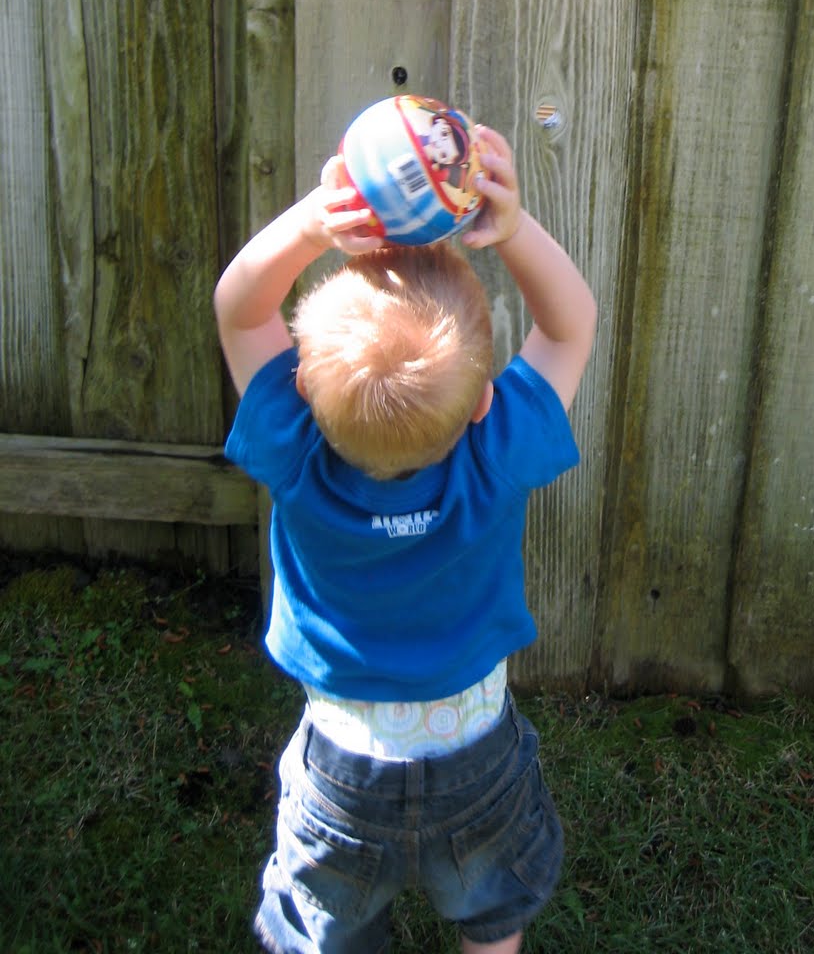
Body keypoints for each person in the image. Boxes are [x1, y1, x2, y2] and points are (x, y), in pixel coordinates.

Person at [214, 124, 597, 954]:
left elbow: (238, 311)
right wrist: (513, 230)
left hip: (342, 774)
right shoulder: (494, 453)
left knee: (330, 931)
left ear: (300, 391)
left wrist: (314, 222)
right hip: (478, 761)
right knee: (493, 916)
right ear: (485, 401)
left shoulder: (295, 449)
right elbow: (571, 328)